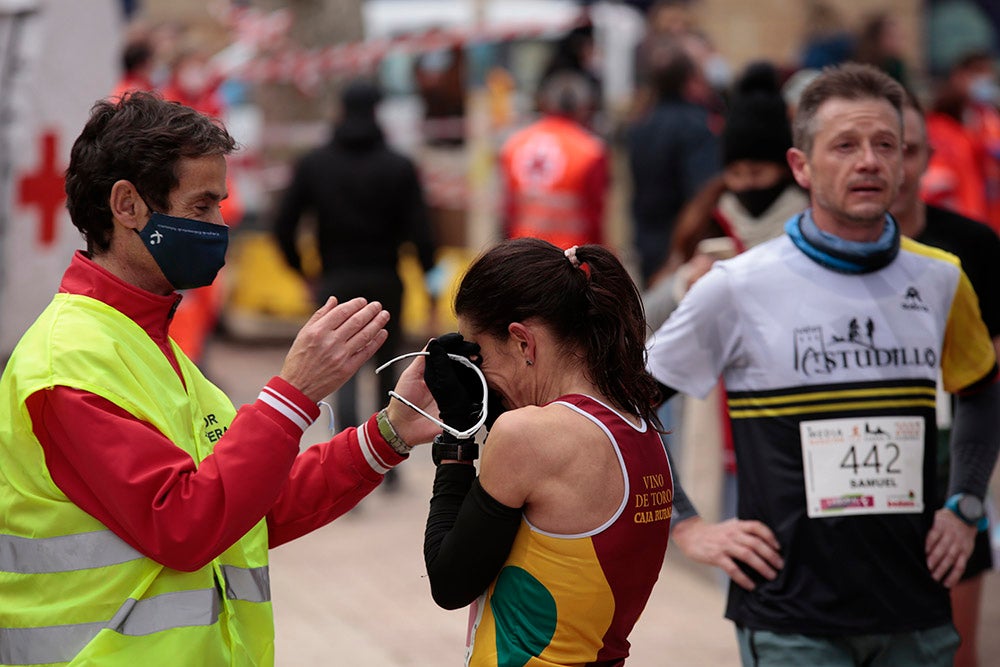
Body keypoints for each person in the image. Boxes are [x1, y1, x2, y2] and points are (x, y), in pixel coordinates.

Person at [0, 92, 441, 665]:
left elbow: (254, 507)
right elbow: (185, 524)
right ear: (127, 205)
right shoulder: (66, 365)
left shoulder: (156, 349)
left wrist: (387, 434)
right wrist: (290, 398)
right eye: (203, 205)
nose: (219, 225)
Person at [646, 63, 1000, 666]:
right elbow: (625, 403)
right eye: (845, 145)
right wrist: (685, 527)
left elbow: (982, 391)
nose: (869, 161)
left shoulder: (941, 278)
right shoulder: (737, 285)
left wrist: (966, 505)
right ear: (801, 166)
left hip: (913, 614)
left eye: (885, 145)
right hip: (792, 618)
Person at [419, 238, 672, 665]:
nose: (476, 373)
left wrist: (456, 440)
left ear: (522, 343)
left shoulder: (529, 436)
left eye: (477, 354)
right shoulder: (641, 424)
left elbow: (449, 582)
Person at [274, 78, 437, 492]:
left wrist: (303, 270)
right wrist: (428, 278)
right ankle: (390, 463)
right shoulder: (399, 166)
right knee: (387, 371)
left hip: (335, 279)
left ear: (340, 111)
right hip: (386, 277)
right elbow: (422, 233)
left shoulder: (315, 164)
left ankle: (349, 463)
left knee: (341, 370)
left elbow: (283, 224)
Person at [892, 91, 1000, 667]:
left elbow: (989, 374)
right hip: (864, 482)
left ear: (930, 156)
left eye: (908, 150)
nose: (893, 165)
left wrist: (970, 491)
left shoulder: (973, 248)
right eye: (885, 148)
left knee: (957, 652)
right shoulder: (820, 254)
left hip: (950, 463)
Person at [626, 37, 720, 286]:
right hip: (681, 247)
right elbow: (702, 192)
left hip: (647, 239)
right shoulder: (696, 125)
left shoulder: (639, 125)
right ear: (690, 78)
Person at [498, 72, 610, 250]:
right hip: (572, 260)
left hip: (522, 256)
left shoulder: (514, 145)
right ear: (583, 107)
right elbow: (595, 216)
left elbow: (508, 211)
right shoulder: (592, 151)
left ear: (543, 103)